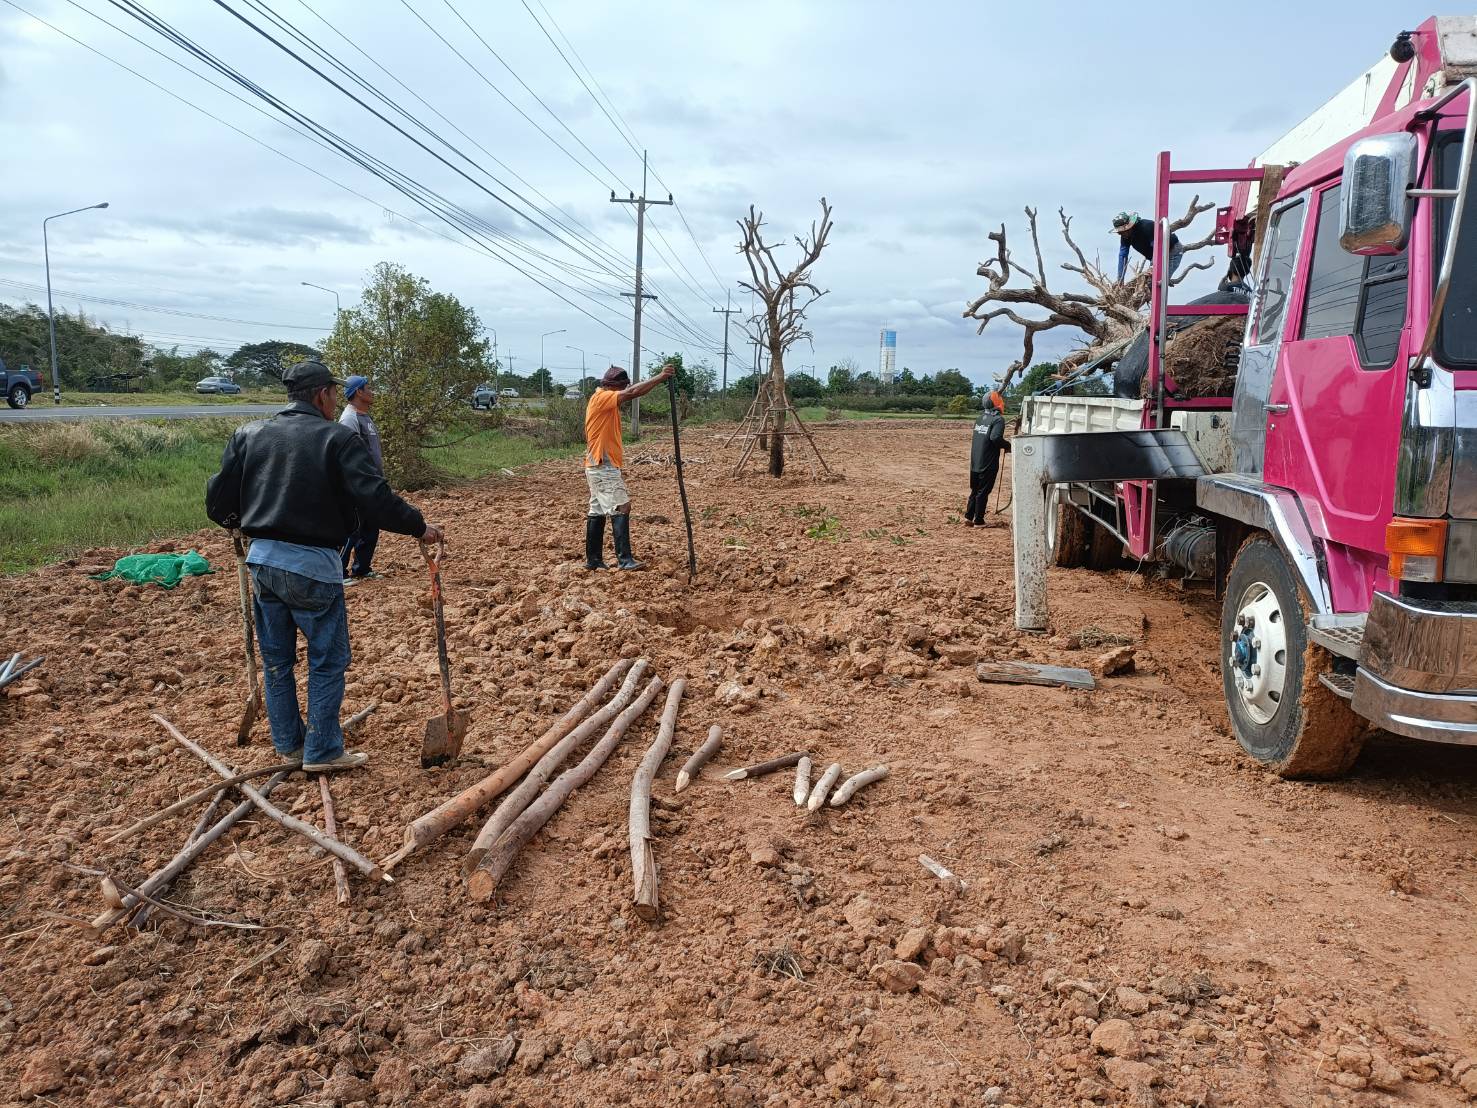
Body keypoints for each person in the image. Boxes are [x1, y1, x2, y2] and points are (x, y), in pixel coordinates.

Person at [205, 360, 444, 772]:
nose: (335, 400)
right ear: (323, 396)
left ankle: (289, 744)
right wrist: (419, 527)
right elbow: (376, 498)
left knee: (277, 660)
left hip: (261, 562)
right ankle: (323, 751)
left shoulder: (248, 434)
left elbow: (217, 501)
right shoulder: (336, 439)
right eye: (333, 393)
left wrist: (239, 524)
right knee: (327, 659)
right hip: (313, 566)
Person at [583, 362, 676, 570]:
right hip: (602, 465)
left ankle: (594, 560)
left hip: (598, 464)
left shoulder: (604, 400)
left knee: (597, 511)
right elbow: (634, 392)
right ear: (614, 387)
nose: (625, 390)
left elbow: (632, 392)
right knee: (621, 506)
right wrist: (660, 377)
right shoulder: (602, 398)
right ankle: (624, 560)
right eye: (623, 387)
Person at [338, 374, 384, 584]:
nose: (371, 391)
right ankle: (339, 572)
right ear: (358, 392)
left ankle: (362, 568)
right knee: (353, 527)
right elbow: (346, 454)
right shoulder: (349, 419)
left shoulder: (364, 416)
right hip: (358, 484)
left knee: (370, 526)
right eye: (368, 388)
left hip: (372, 481)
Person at [965, 391, 1011, 527]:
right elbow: (995, 438)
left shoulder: (980, 418)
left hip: (975, 461)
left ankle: (969, 516)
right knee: (983, 491)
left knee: (975, 489)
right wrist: (1008, 445)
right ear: (996, 403)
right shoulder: (998, 420)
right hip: (988, 463)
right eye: (1000, 400)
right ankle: (978, 521)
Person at [1113, 211, 1184, 284]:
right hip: (1157, 256)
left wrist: (1152, 267)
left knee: (1158, 283)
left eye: (1122, 231)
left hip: (1172, 251)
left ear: (1129, 226)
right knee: (1150, 282)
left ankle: (1163, 283)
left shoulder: (1146, 226)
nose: (1119, 234)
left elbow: (1157, 248)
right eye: (1119, 232)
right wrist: (1120, 279)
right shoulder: (1125, 237)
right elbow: (1123, 256)